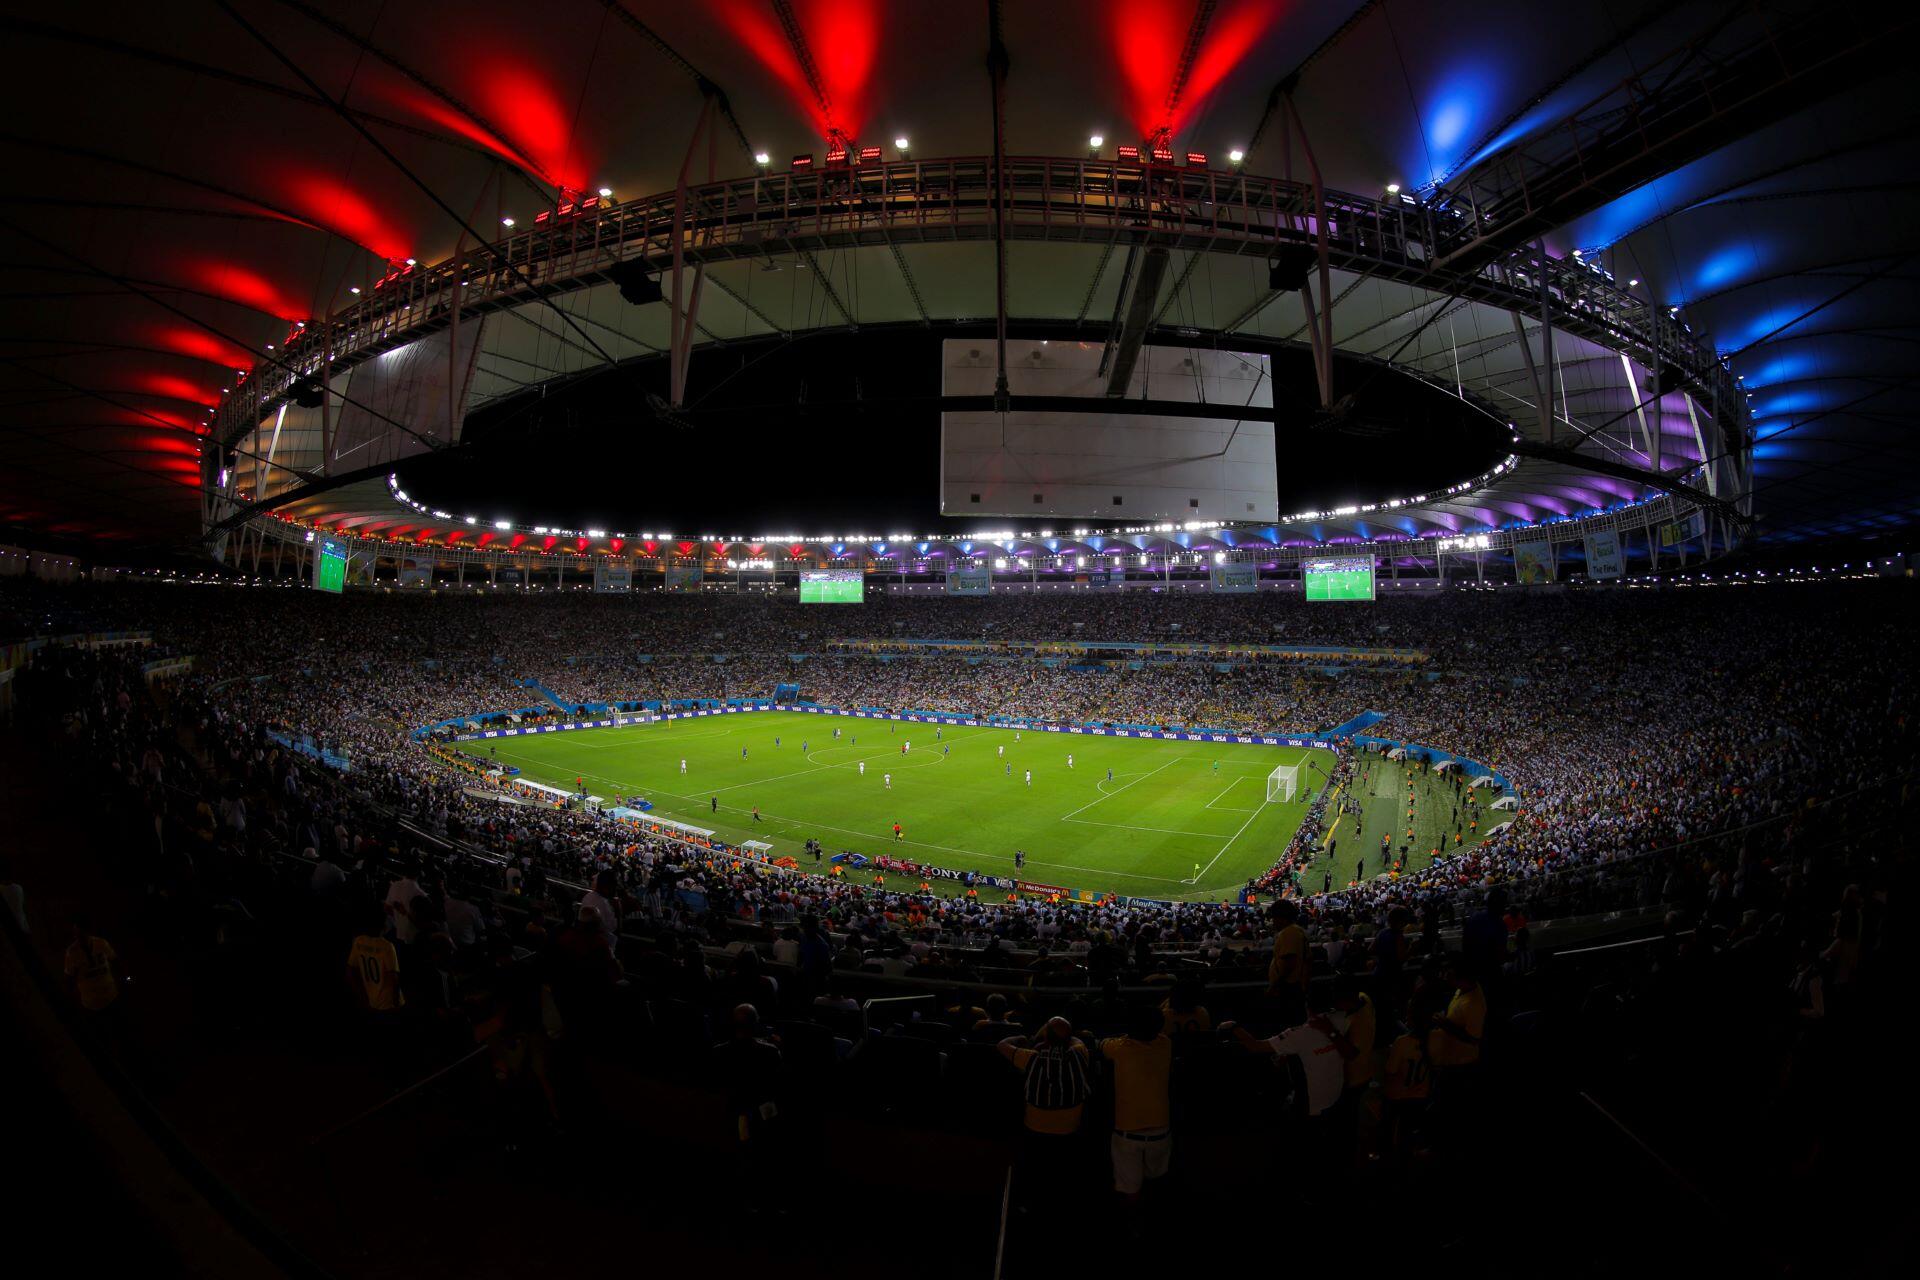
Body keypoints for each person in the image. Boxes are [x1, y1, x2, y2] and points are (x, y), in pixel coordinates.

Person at [1099, 1006, 1174, 1204]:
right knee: (1156, 1180)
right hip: (1161, 1130)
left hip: (1127, 1133)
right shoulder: (1166, 1044)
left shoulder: (1120, 1048)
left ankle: (1134, 1220)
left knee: (1130, 1188)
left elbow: (1102, 1045)